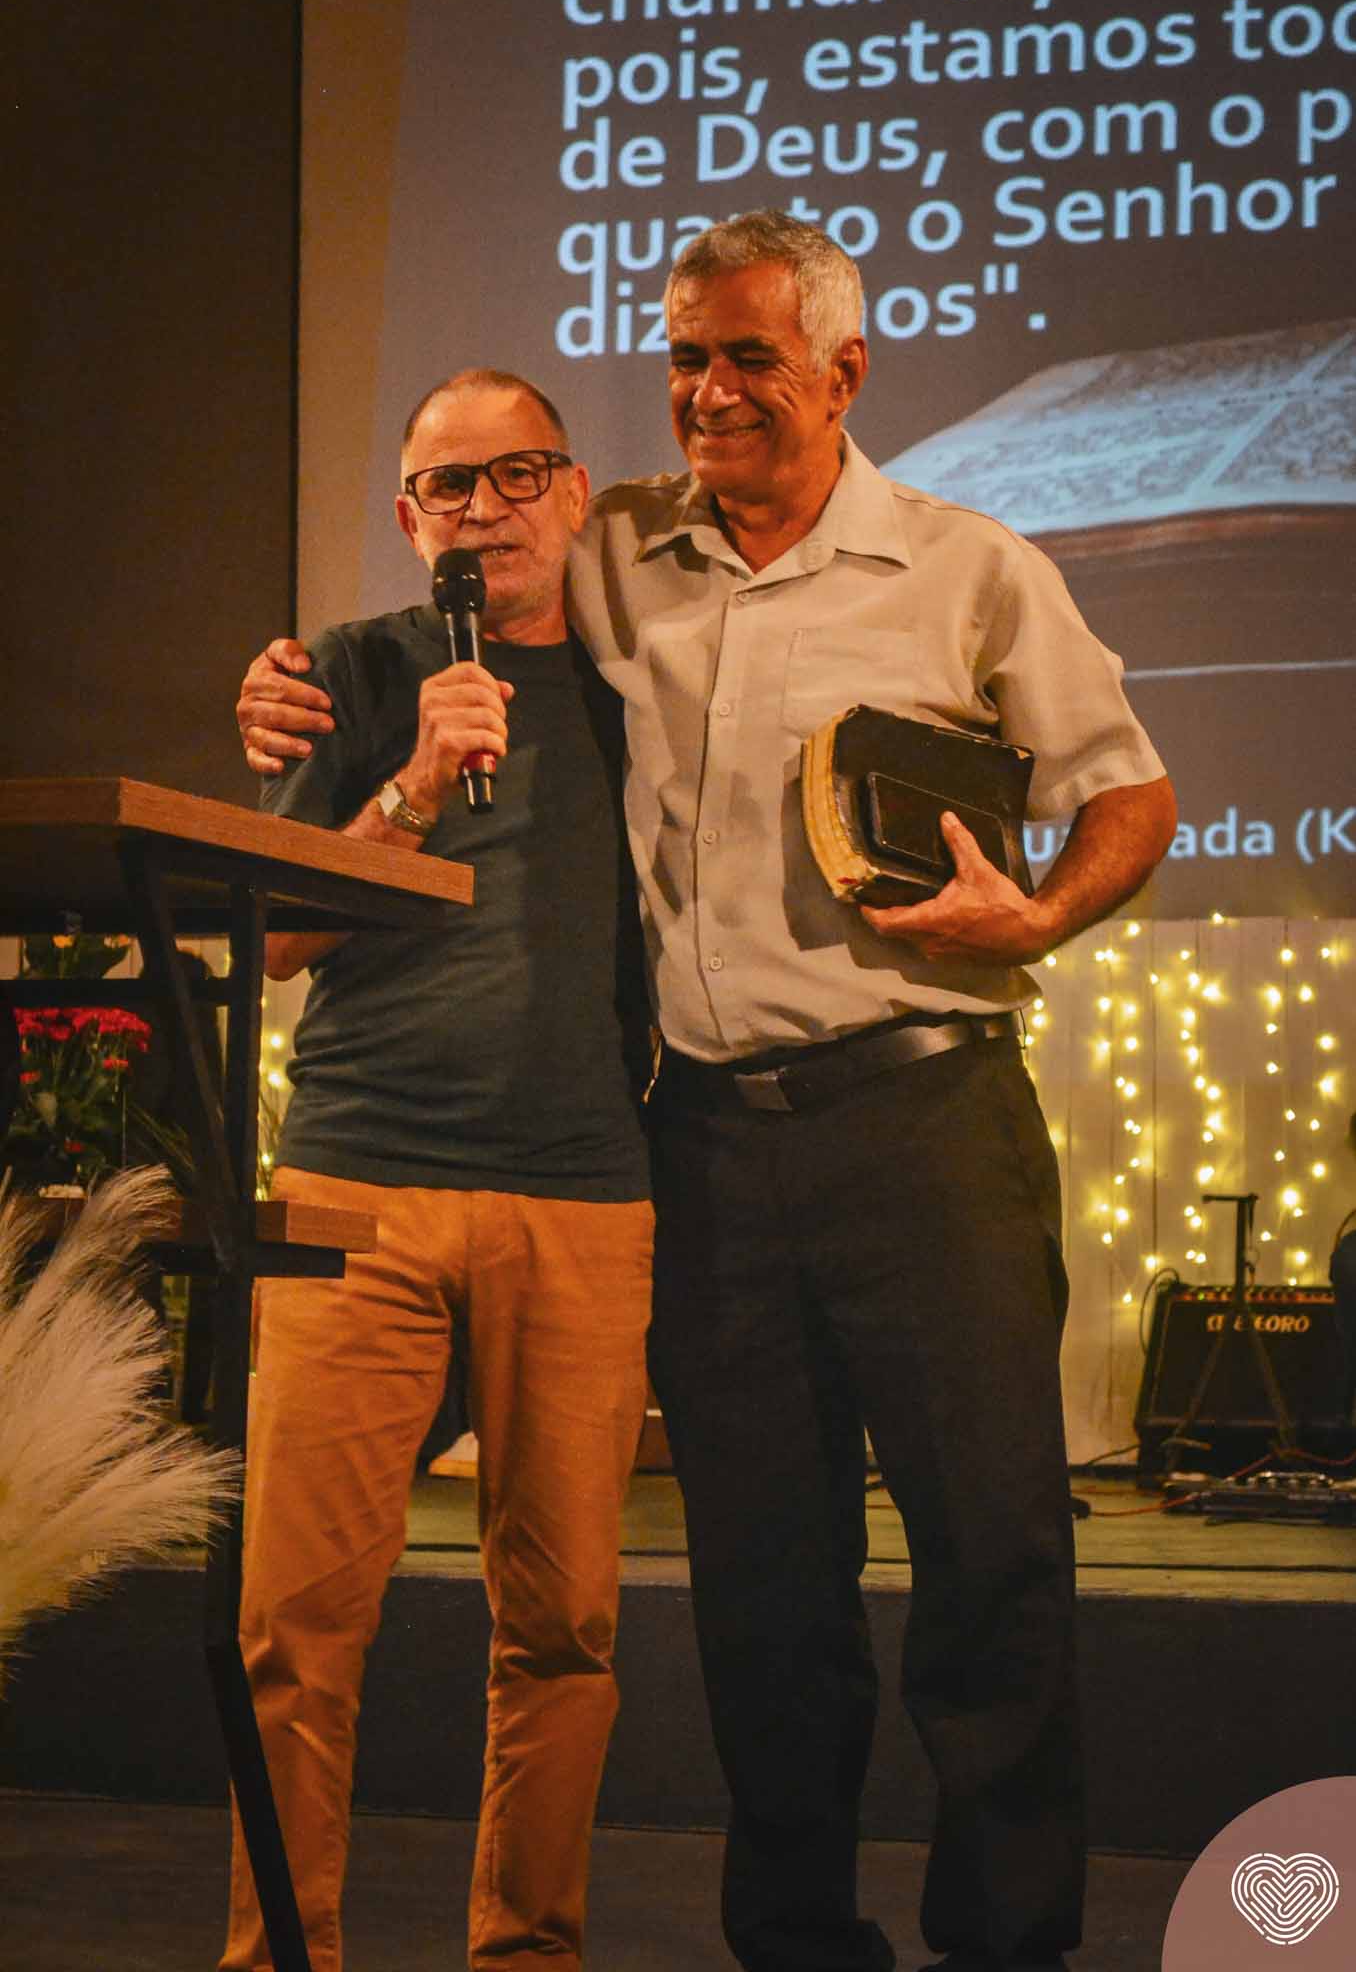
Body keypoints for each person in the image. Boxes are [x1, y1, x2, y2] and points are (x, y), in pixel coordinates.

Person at [239, 212, 1177, 1972]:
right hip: (710, 1148)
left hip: (926, 1122)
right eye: (684, 356)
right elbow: (469, 550)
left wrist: (1043, 911)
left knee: (991, 1557)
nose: (711, 390)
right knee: (764, 1590)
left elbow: (1130, 789)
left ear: (845, 371)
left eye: (751, 355)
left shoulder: (967, 565)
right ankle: (798, 1941)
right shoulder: (620, 548)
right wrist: (292, 682)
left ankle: (1005, 1939)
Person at [223, 370, 653, 1972]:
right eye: (450, 488)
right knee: (296, 1625)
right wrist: (408, 787)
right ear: (409, 517)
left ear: (575, 491)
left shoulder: (651, 681)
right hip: (359, 1184)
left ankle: (527, 1951)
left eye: (517, 474)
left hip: (583, 1192)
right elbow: (282, 941)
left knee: (567, 1629)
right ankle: (281, 1953)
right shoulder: (347, 671)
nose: (486, 511)